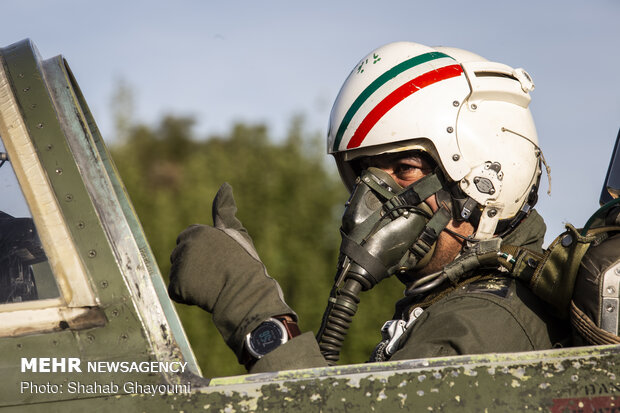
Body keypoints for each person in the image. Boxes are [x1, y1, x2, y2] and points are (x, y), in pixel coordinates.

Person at [168, 42, 570, 373]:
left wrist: (251, 306)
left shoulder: (477, 326)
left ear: (485, 182)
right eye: (364, 176)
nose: (369, 203)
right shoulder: (452, 303)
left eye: (405, 169)